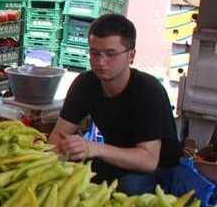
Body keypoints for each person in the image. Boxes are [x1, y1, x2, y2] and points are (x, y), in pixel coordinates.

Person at [50, 14, 182, 194]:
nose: (100, 62)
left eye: (110, 54)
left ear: (131, 55)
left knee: (129, 186)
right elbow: (57, 138)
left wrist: (93, 148)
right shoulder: (85, 83)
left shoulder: (149, 91)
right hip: (115, 159)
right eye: (95, 53)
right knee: (70, 173)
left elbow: (148, 160)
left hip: (160, 170)